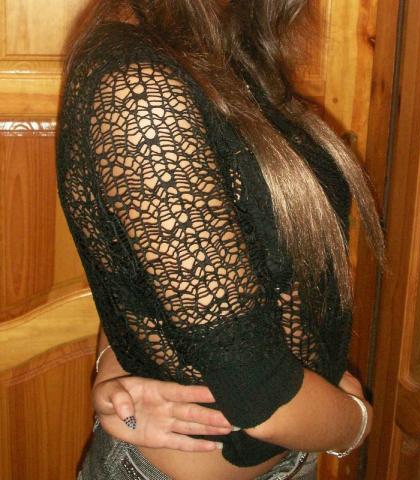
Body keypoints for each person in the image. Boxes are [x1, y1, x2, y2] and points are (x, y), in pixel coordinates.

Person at [56, 0, 385, 478]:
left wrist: (114, 364)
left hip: (291, 455)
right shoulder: (141, 88)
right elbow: (262, 396)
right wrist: (356, 422)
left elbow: (157, 258)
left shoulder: (210, 42)